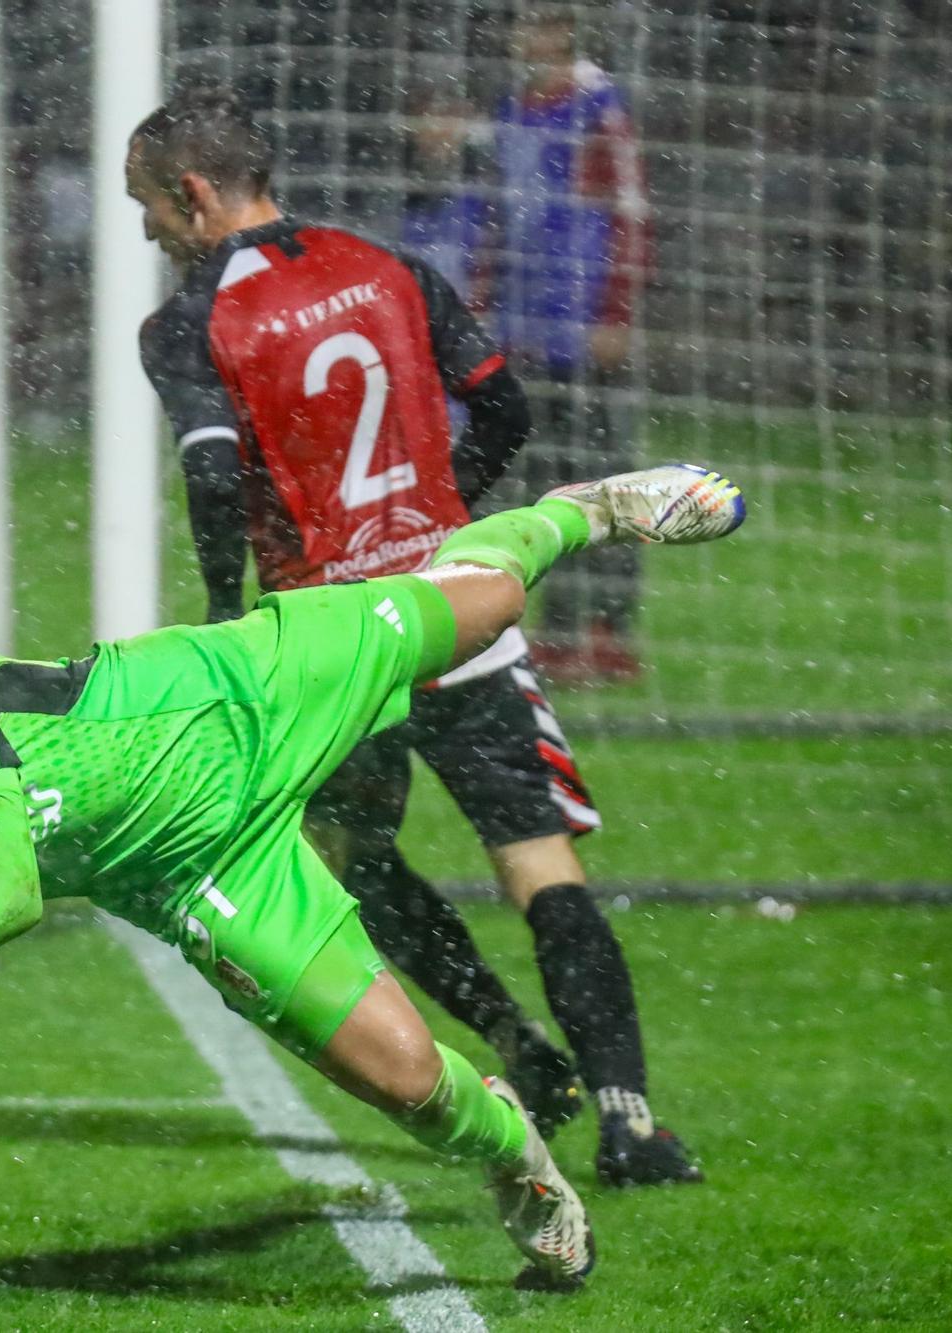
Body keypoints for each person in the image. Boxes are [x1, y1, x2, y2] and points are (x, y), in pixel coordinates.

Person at [0, 465, 747, 1289]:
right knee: (403, 1079)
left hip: (242, 689)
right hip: (189, 870)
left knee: (489, 607)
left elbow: (4, 884)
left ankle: (577, 511)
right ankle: (517, 1157)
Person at [130, 86, 700, 1185]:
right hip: (455, 606)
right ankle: (632, 1124)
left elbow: (209, 478)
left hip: (337, 640)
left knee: (351, 859)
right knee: (543, 870)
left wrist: (220, 610)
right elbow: (507, 413)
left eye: (147, 207)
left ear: (194, 196)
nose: (145, 230)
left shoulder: (187, 322)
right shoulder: (386, 267)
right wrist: (443, 521)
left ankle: (508, 1041)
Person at [489, 5, 655, 683]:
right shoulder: (512, 110)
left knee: (605, 475)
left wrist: (616, 309)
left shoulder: (597, 108)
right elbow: (499, 214)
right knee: (542, 481)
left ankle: (606, 630)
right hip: (528, 327)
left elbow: (630, 211)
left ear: (563, 33)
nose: (520, 37)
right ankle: (557, 631)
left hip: (583, 325)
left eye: (534, 23)